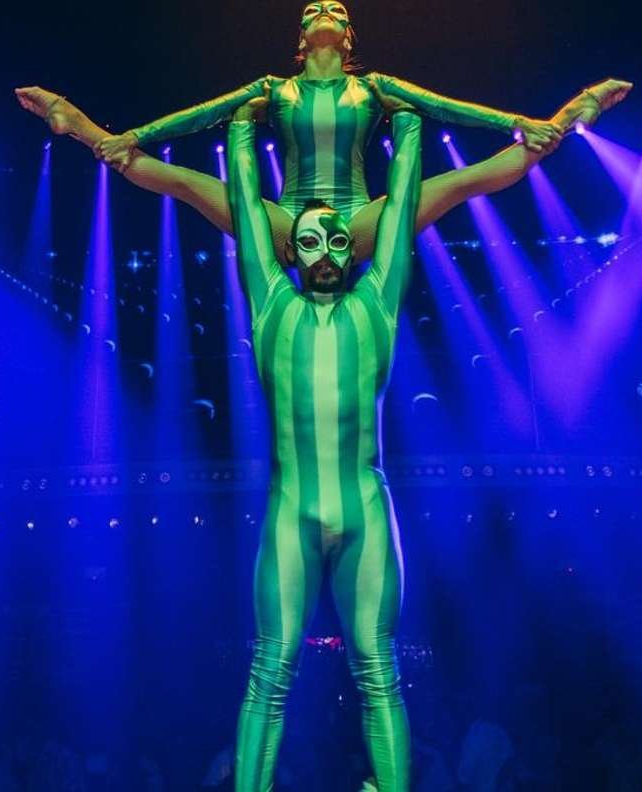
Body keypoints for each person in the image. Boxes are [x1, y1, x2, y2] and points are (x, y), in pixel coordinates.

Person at [14, 1, 630, 260]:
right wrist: (136, 134)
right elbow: (202, 114)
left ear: (347, 35)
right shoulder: (273, 89)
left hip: (359, 216)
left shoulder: (375, 86)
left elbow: (446, 108)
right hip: (287, 218)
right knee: (184, 181)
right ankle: (81, 126)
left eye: (336, 9)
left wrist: (517, 122)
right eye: (314, 11)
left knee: (462, 181)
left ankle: (566, 117)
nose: (325, 12)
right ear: (303, 37)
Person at [223, 87, 423, 790]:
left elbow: (400, 210)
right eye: (309, 240)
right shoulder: (270, 304)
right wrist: (241, 135)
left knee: (378, 667)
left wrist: (408, 132)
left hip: (365, 506)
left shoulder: (377, 303)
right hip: (292, 511)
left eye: (339, 239)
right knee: (270, 668)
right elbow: (247, 211)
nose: (328, 251)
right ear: (290, 250)